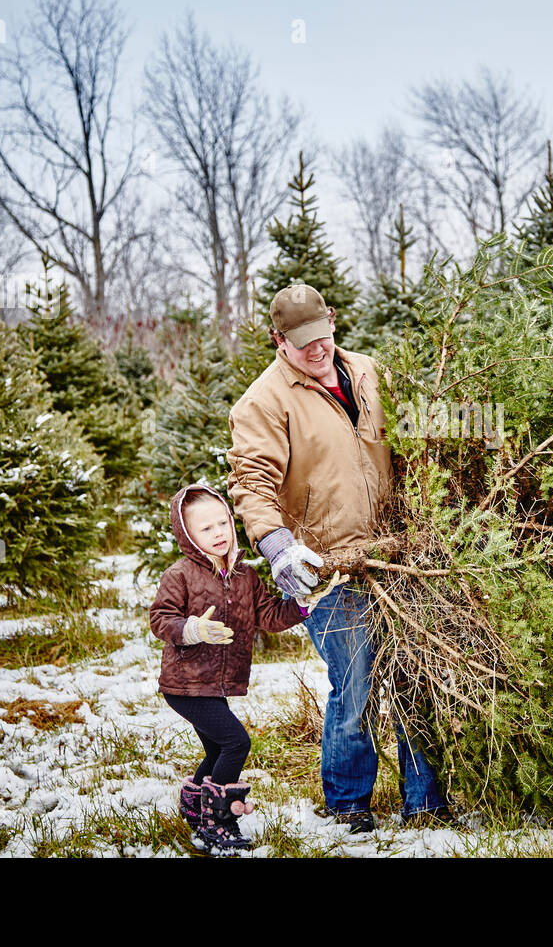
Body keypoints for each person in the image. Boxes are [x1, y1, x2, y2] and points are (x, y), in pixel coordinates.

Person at [225, 282, 450, 833]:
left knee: (415, 674)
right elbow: (251, 481)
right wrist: (278, 547)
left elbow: (413, 442)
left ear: (332, 320)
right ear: (278, 341)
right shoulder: (263, 402)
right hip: (326, 566)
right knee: (356, 681)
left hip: (399, 555)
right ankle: (350, 802)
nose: (318, 349)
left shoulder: (372, 373)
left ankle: (425, 800)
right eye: (303, 343)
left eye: (323, 335)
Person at [148, 482, 341, 855]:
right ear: (187, 534)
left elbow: (268, 616)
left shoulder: (245, 576)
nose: (218, 533)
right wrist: (192, 629)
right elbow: (161, 619)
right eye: (205, 528)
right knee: (236, 742)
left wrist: (304, 604)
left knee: (218, 749)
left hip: (217, 685)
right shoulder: (181, 574)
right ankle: (216, 823)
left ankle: (196, 806)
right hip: (185, 685)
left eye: (222, 523)